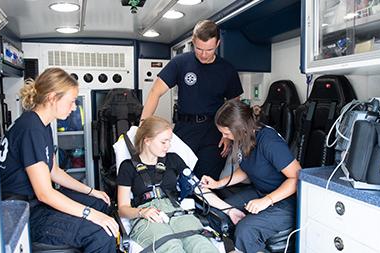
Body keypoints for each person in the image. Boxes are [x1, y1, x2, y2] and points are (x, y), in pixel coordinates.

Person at [0, 67, 118, 252]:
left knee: (101, 203)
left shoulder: (41, 125)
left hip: (36, 203)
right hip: (25, 212)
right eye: (71, 101)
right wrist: (90, 215)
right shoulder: (31, 129)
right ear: (52, 97)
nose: (74, 107)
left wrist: (91, 191)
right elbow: (44, 193)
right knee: (101, 235)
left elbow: (54, 171)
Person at [140, 19, 243, 180]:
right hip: (184, 130)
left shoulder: (227, 70)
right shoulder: (180, 63)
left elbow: (234, 105)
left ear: (217, 44)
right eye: (199, 48)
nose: (203, 54)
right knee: (175, 177)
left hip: (213, 133)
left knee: (206, 181)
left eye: (209, 49)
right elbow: (155, 92)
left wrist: (228, 135)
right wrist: (143, 124)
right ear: (193, 41)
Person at [200, 99, 301, 253]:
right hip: (261, 191)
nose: (224, 136)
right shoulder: (243, 137)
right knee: (219, 214)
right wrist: (218, 183)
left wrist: (267, 200)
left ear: (240, 127)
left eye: (226, 133)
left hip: (286, 200)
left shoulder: (269, 141)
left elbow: (297, 178)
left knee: (246, 230)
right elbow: (248, 169)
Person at [117, 116, 223, 253]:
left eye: (169, 141)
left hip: (176, 211)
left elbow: (198, 189)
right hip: (147, 215)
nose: (168, 146)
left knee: (201, 244)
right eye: (163, 142)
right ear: (147, 140)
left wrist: (229, 210)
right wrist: (141, 212)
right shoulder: (127, 167)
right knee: (171, 247)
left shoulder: (173, 159)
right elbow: (123, 208)